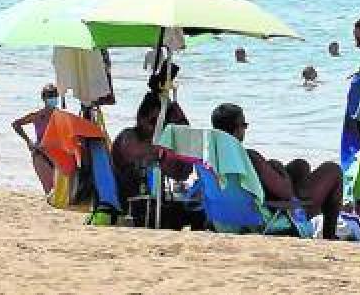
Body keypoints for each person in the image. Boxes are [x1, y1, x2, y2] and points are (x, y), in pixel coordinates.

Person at [210, 102, 343, 240]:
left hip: (230, 218)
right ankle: (329, 236)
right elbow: (286, 193)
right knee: (333, 170)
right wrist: (279, 170)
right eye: (244, 125)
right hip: (274, 219)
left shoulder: (212, 159)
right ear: (237, 129)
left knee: (300, 166)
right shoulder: (249, 157)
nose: (245, 129)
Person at [111, 91, 199, 228]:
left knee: (197, 210)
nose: (157, 128)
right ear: (141, 118)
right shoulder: (128, 139)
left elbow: (183, 172)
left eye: (163, 124)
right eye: (154, 122)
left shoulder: (158, 146)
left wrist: (182, 125)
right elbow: (167, 164)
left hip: (150, 204)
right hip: (132, 208)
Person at [11, 83, 60, 193]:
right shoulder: (37, 115)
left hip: (58, 156)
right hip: (41, 154)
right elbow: (16, 124)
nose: (53, 98)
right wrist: (28, 141)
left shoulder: (61, 116)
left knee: (59, 190)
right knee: (49, 189)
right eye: (50, 95)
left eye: (55, 95)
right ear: (44, 98)